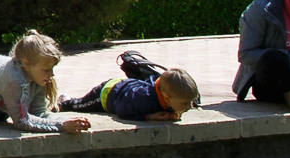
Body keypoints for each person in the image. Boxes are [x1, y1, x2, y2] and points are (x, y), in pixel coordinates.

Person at [63, 51, 202, 122]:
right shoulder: (143, 101)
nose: (190, 105)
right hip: (108, 93)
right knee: (80, 105)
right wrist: (148, 117)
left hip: (127, 87)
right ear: (166, 97)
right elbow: (122, 111)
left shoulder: (168, 93)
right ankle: (64, 102)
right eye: (185, 103)